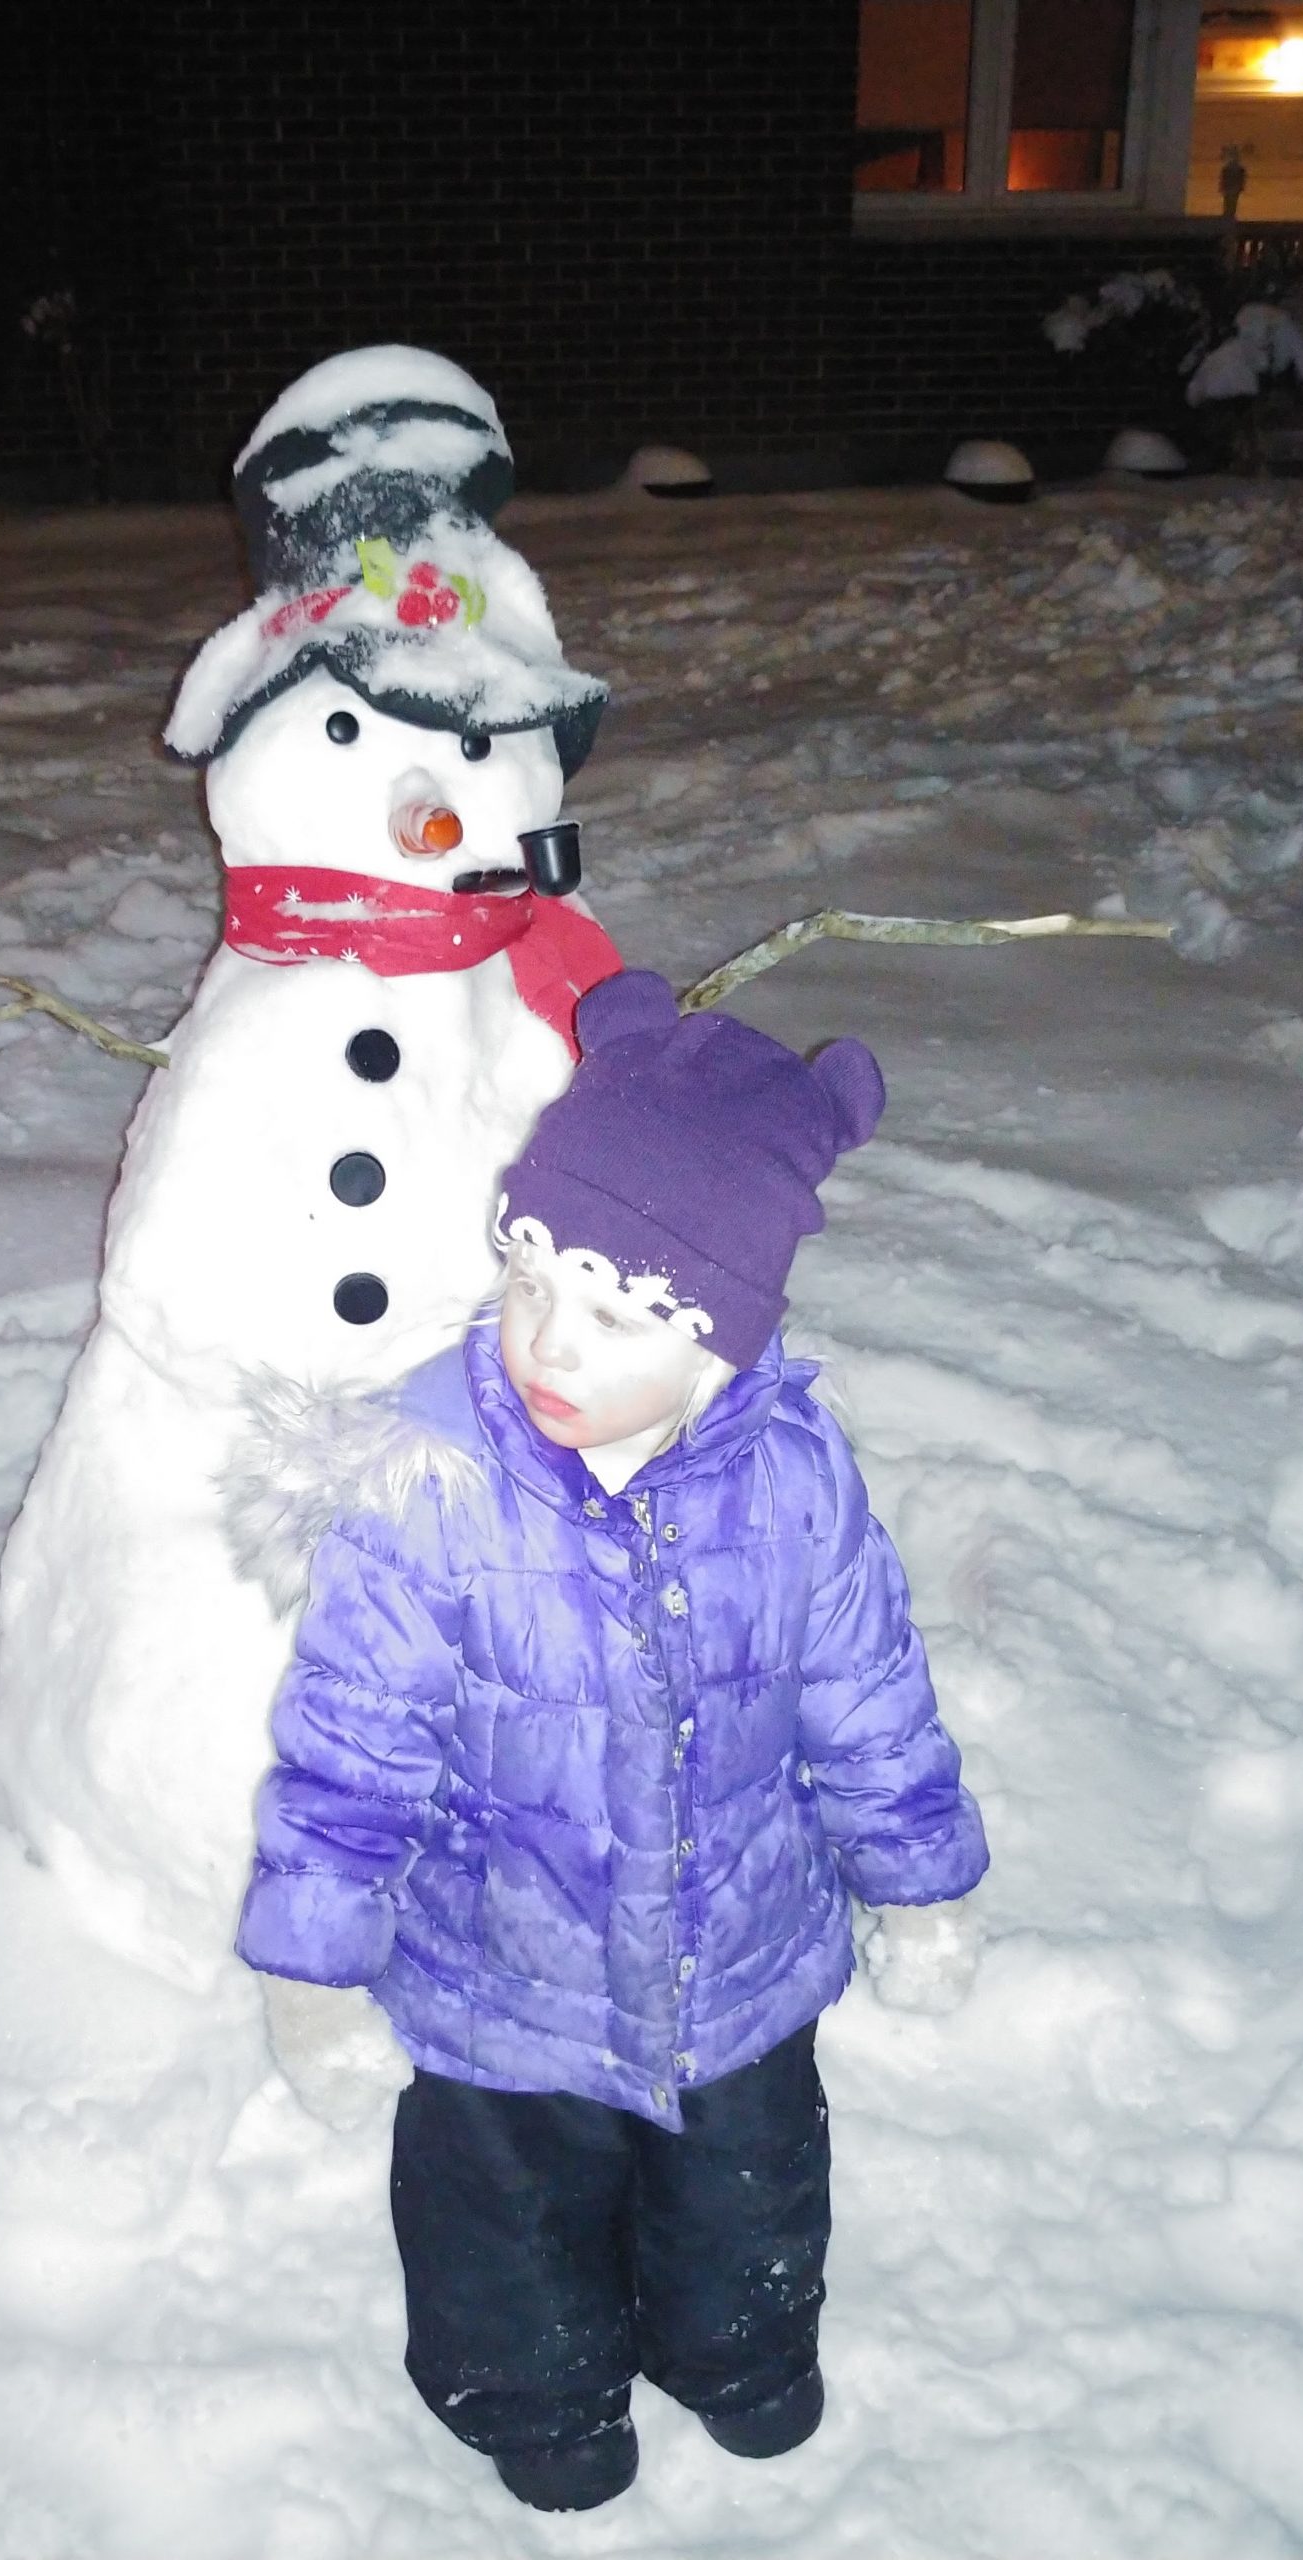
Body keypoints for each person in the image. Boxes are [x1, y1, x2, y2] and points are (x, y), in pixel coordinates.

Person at [233, 968, 989, 2514]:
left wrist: (918, 1882)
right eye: (528, 1280)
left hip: (741, 1964)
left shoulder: (794, 1477)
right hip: (504, 1981)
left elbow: (867, 1688)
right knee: (507, 2222)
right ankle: (540, 2394)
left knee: (748, 2191)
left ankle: (741, 2352)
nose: (548, 1347)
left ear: (723, 1334)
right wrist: (312, 1962)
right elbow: (352, 1745)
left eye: (616, 1314)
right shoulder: (435, 1489)